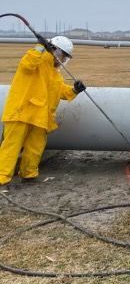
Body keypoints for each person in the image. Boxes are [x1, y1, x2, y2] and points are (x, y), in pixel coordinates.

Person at [0, 36, 85, 185]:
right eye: (63, 55)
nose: (63, 60)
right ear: (56, 51)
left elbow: (59, 91)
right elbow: (27, 65)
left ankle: (29, 174)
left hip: (40, 117)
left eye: (65, 57)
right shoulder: (35, 59)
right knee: (11, 146)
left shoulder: (54, 72)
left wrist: (74, 90)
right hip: (21, 112)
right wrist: (40, 47)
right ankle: (1, 178)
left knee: (35, 147)